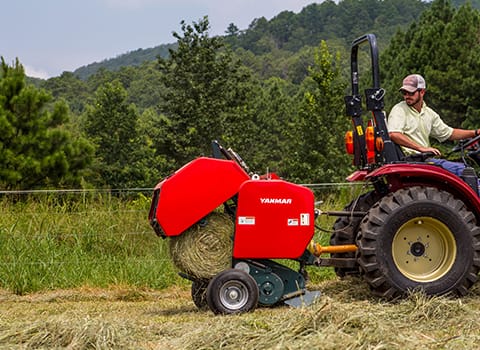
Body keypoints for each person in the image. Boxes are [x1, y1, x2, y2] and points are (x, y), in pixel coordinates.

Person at [387, 74, 480, 176]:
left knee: (462, 168)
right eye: (404, 93)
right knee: (463, 170)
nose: (407, 96)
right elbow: (394, 134)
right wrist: (421, 148)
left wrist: (475, 133)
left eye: (411, 92)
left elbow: (449, 133)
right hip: (413, 161)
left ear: (422, 92)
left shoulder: (429, 113)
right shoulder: (399, 110)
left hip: (423, 160)